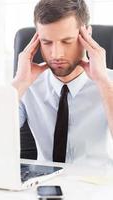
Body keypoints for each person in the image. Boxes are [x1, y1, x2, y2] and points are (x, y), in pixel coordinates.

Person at [12, 0, 113, 163]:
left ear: (87, 35)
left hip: (100, 185)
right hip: (43, 185)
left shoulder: (109, 84)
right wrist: (19, 83)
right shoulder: (27, 86)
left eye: (67, 41)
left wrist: (104, 84)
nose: (56, 54)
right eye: (47, 42)